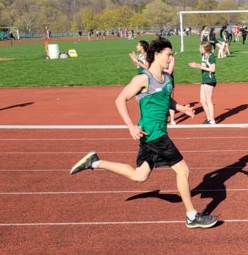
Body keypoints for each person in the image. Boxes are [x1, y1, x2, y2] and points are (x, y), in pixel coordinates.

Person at [69, 39, 219, 229]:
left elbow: (166, 101)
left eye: (171, 55)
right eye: (168, 54)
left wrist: (182, 108)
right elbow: (120, 99)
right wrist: (130, 125)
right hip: (155, 135)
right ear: (156, 54)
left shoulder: (165, 78)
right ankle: (192, 216)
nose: (171, 58)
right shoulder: (143, 79)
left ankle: (95, 162)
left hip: (151, 136)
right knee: (183, 170)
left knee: (140, 176)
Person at [189, 41, 218, 124]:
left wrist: (199, 66)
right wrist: (196, 65)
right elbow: (204, 66)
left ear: (206, 48)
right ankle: (208, 118)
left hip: (210, 80)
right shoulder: (203, 55)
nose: (199, 49)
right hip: (204, 80)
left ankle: (212, 120)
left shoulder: (211, 56)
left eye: (201, 47)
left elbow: (213, 69)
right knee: (202, 100)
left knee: (208, 100)